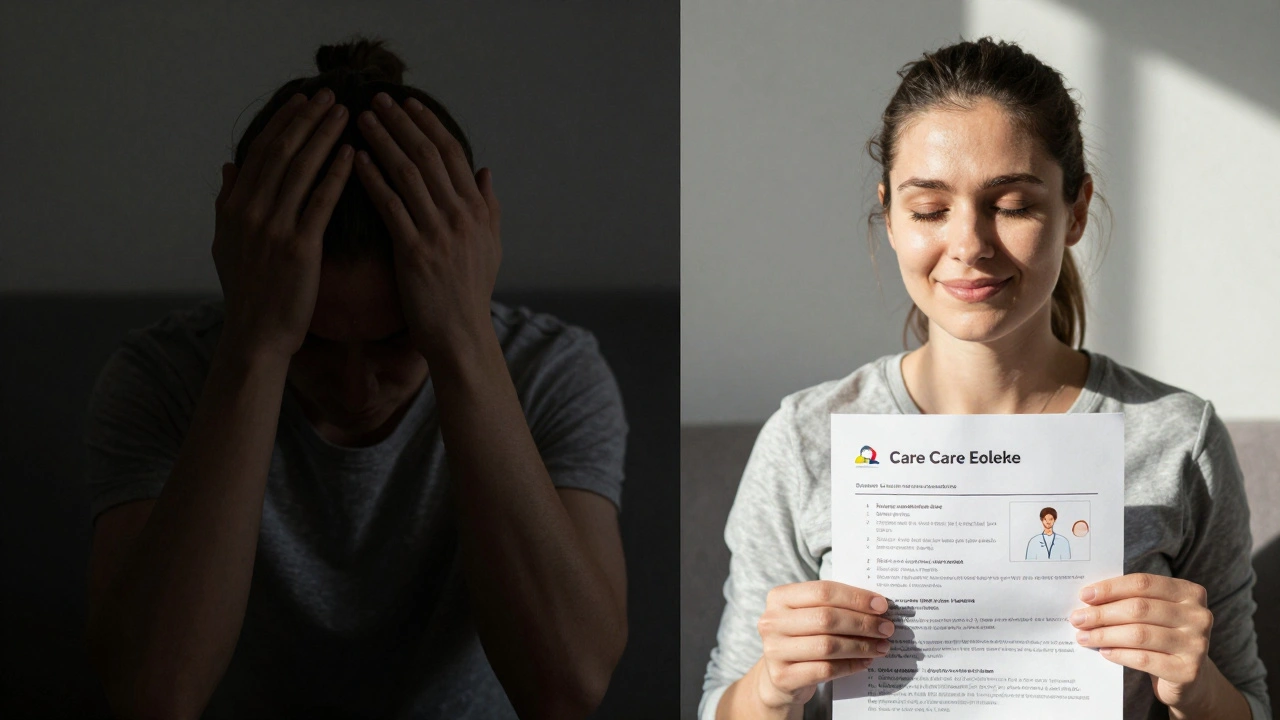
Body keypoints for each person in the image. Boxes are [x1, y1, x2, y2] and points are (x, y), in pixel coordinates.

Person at [700, 37, 1269, 720]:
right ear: (890, 216)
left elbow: (1248, 701)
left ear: (1076, 212)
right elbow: (720, 699)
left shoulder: (1177, 437)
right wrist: (771, 687)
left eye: (1013, 204)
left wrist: (1195, 688)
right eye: (929, 209)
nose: (969, 245)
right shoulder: (806, 437)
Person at [83, 38, 628, 719]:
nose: (354, 391)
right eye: (310, 342)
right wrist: (257, 347)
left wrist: (461, 341)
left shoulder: (552, 372)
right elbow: (152, 695)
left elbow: (566, 690)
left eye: (398, 341)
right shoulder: (160, 377)